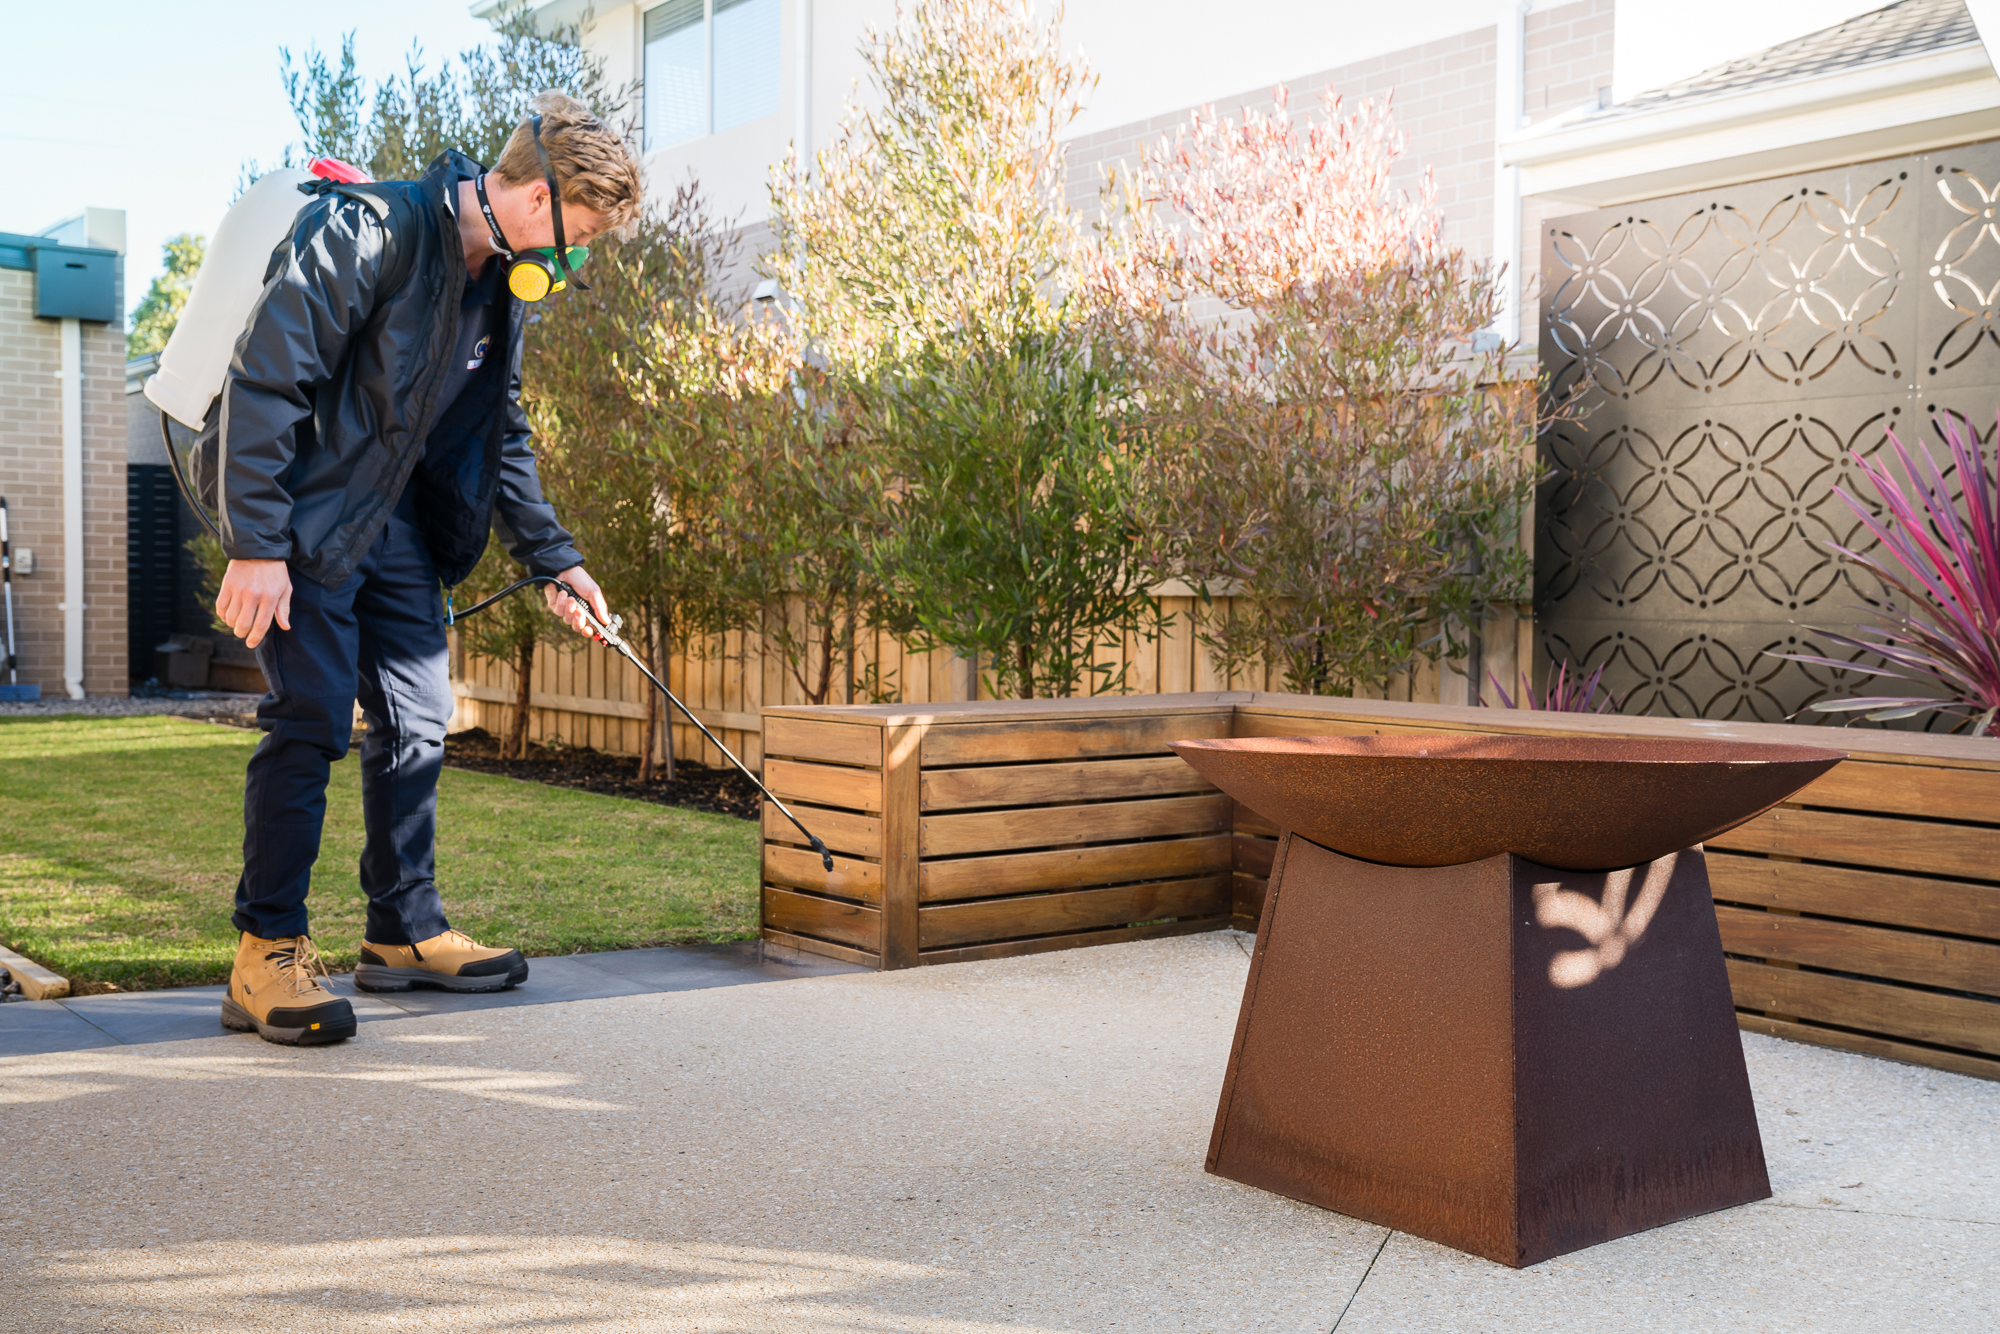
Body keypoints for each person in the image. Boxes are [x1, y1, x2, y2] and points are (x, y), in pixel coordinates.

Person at [210, 92, 644, 1045]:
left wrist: (557, 560)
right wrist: (256, 544)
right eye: (581, 238)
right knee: (313, 717)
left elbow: (501, 433)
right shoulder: (367, 231)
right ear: (537, 202)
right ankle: (264, 950)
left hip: (395, 526)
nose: (576, 260)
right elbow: (265, 379)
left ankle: (403, 929)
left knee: (417, 722)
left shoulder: (497, 290)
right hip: (310, 516)